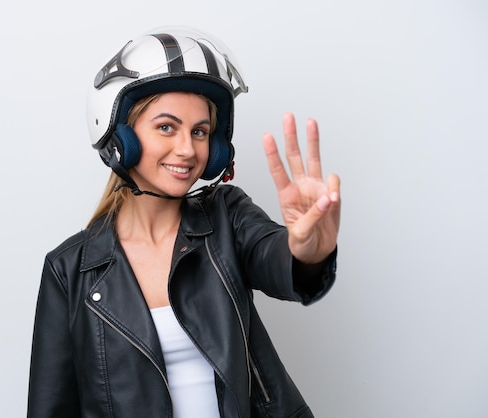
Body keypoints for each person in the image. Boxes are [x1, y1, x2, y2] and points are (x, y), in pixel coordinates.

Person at [27, 26, 341, 418]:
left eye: (200, 131)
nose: (187, 149)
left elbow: (276, 258)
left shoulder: (227, 216)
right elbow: (50, 409)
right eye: (166, 127)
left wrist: (308, 251)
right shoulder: (68, 270)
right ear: (120, 137)